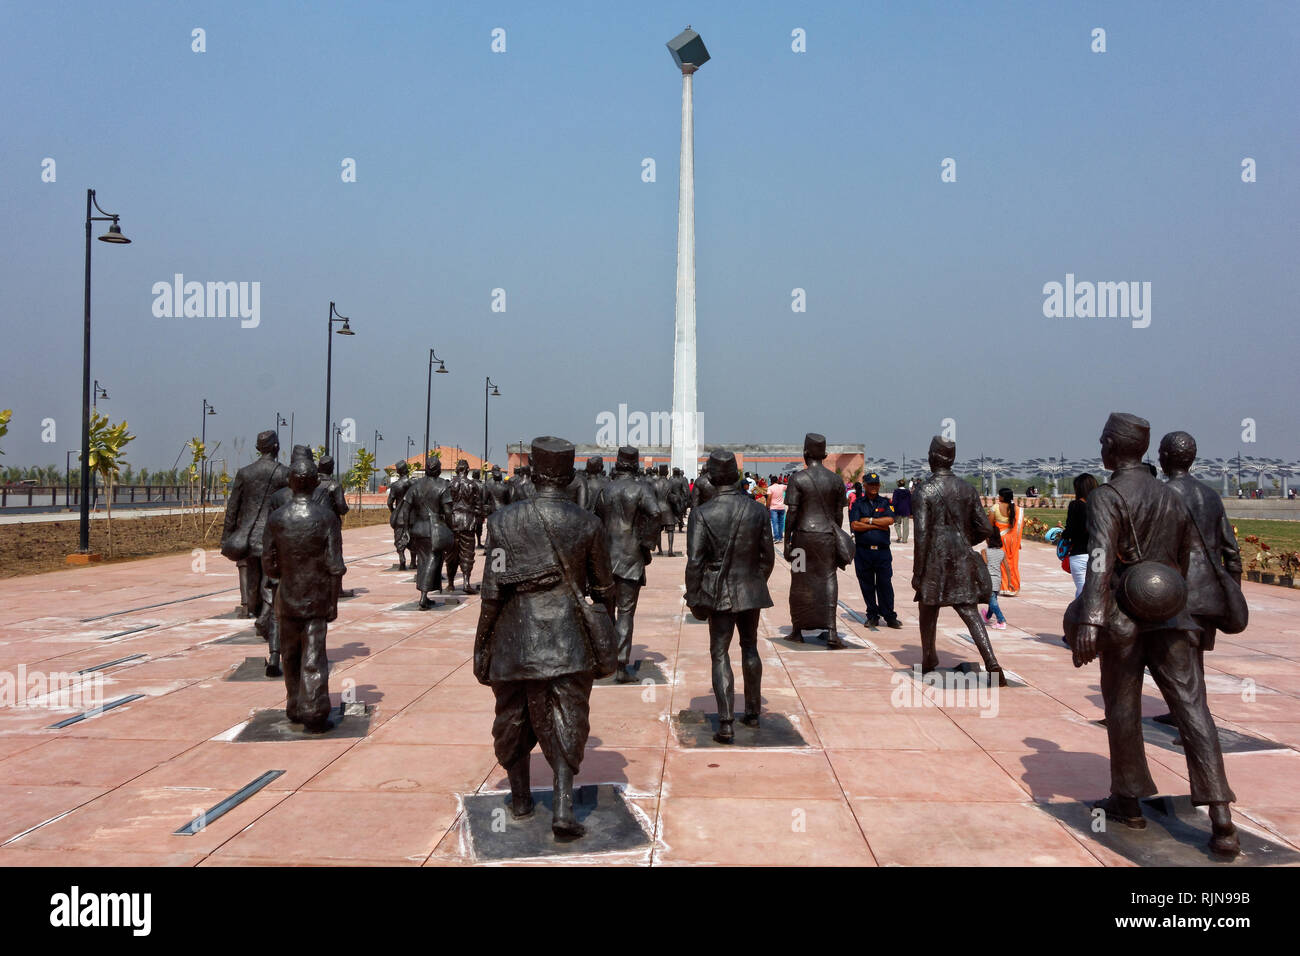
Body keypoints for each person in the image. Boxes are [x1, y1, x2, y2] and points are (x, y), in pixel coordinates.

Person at [1068, 413, 1238, 857]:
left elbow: (1101, 561)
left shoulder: (1108, 495)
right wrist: (1162, 594)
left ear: (1112, 445)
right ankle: (1222, 819)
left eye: (1103, 440)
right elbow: (1183, 559)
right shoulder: (1170, 495)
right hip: (1171, 613)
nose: (1101, 447)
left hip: (1123, 616)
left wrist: (1089, 620)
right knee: (1193, 709)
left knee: (1123, 706)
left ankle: (1129, 801)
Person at [473, 436, 615, 839]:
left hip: (513, 641)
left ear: (533, 472)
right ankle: (563, 806)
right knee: (569, 717)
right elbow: (604, 590)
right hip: (569, 642)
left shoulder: (502, 522)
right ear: (569, 475)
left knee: (512, 719)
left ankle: (520, 800)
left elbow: (492, 591)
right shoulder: (588, 524)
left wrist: (482, 644)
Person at [1156, 430, 1245, 726]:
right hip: (1208, 593)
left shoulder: (1164, 494)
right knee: (1194, 661)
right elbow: (1231, 551)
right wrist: (1230, 591)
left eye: (1160, 453)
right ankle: (1183, 714)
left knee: (1181, 662)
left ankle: (1194, 725)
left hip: (1179, 593)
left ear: (1166, 457)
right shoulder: (1210, 495)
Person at [685, 451, 775, 744]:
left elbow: (695, 561)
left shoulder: (702, 514)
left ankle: (726, 722)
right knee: (750, 647)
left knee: (720, 652)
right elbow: (768, 558)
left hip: (719, 591)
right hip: (750, 588)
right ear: (736, 476)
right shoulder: (758, 510)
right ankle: (752, 712)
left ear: (710, 477)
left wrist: (695, 595)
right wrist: (754, 581)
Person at [261, 446, 346, 733]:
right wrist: (333, 601)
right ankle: (314, 709)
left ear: (291, 482)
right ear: (313, 483)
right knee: (313, 655)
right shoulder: (326, 518)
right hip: (317, 596)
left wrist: (284, 576)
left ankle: (294, 704)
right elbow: (335, 565)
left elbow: (269, 563)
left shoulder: (277, 518)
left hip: (287, 595)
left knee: (290, 653)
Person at [912, 436, 1005, 683]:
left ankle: (928, 658)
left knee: (928, 611)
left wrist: (917, 572)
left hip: (934, 558)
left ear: (933, 457)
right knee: (970, 612)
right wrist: (964, 540)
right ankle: (992, 663)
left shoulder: (924, 490)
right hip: (961, 557)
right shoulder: (967, 488)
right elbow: (985, 527)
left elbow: (921, 534)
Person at [591, 446, 661, 683]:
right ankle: (620, 666)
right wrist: (646, 544)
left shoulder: (604, 490)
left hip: (604, 556)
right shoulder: (641, 489)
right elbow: (655, 514)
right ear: (635, 464)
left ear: (618, 463)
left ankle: (605, 661)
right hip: (630, 556)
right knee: (626, 613)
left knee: (605, 611)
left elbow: (594, 521)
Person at [220, 430, 288, 640]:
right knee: (270, 581)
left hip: (246, 536)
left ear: (258, 449)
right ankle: (265, 620)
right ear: (276, 446)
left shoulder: (244, 473)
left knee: (251, 580)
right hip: (271, 535)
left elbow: (233, 508)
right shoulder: (283, 473)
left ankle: (253, 611)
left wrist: (227, 536)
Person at [784, 433, 847, 647]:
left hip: (803, 537)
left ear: (805, 453)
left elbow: (792, 513)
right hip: (827, 537)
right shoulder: (836, 480)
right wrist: (836, 536)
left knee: (799, 578)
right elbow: (839, 515)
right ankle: (831, 630)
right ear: (824, 454)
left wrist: (786, 541)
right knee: (829, 579)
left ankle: (797, 628)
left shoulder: (798, 479)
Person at [394, 457, 454, 609]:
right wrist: (450, 525)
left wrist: (407, 528)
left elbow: (406, 509)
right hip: (433, 529)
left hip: (418, 529)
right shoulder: (443, 486)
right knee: (432, 560)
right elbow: (447, 511)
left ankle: (425, 595)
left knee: (422, 561)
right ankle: (423, 596)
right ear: (438, 469)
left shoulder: (416, 486)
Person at [849, 472, 901, 628]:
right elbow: (855, 525)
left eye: (876, 484)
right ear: (864, 485)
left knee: (885, 583)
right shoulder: (858, 504)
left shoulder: (885, 503)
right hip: (863, 551)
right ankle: (872, 615)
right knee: (867, 584)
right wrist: (879, 524)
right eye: (870, 484)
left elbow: (890, 520)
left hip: (882, 552)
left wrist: (869, 521)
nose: (874, 487)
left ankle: (889, 616)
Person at [447, 459, 482, 594]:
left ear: (457, 470)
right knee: (467, 553)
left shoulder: (450, 485)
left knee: (451, 553)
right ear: (467, 470)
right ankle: (466, 582)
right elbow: (478, 506)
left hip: (453, 521)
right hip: (468, 521)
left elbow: (446, 505)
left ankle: (450, 584)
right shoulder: (473, 485)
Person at [1064, 473, 1097, 598]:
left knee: (1083, 592)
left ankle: (1081, 616)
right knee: (1097, 590)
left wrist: (1062, 534)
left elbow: (1070, 531)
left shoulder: (1076, 505)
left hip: (1080, 554)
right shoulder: (1101, 505)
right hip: (1099, 553)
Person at [989, 487, 1023, 596]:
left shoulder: (995, 508)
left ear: (1002, 497)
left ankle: (1004, 587)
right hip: (1013, 540)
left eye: (999, 495)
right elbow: (1019, 526)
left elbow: (990, 526)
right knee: (1012, 563)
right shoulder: (1017, 509)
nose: (998, 497)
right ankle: (1013, 587)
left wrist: (988, 539)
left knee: (1002, 563)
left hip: (1000, 539)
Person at [386, 461, 413, 570]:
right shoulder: (413, 484)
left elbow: (389, 502)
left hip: (400, 517)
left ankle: (402, 558)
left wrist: (394, 511)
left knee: (399, 538)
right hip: (412, 516)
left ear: (398, 472)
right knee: (413, 538)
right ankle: (413, 562)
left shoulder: (395, 485)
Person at [983, 524, 1007, 629]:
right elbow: (1008, 569)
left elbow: (984, 566)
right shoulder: (1002, 553)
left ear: (988, 539)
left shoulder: (984, 551)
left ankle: (1001, 621)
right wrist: (1010, 582)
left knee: (992, 602)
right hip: (998, 580)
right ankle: (987, 616)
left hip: (989, 580)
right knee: (993, 600)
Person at [767, 475, 787, 542]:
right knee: (781, 523)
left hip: (773, 508)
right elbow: (788, 486)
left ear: (771, 481)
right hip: (781, 507)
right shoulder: (782, 486)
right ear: (777, 480)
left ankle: (776, 538)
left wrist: (767, 506)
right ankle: (781, 537)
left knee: (774, 523)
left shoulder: (770, 488)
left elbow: (769, 498)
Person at [891, 478, 912, 543]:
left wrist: (893, 510)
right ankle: (905, 540)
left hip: (898, 509)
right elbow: (910, 501)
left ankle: (899, 535)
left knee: (897, 524)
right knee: (906, 525)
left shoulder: (896, 491)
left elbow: (894, 502)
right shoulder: (908, 492)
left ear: (898, 485)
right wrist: (911, 511)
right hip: (906, 509)